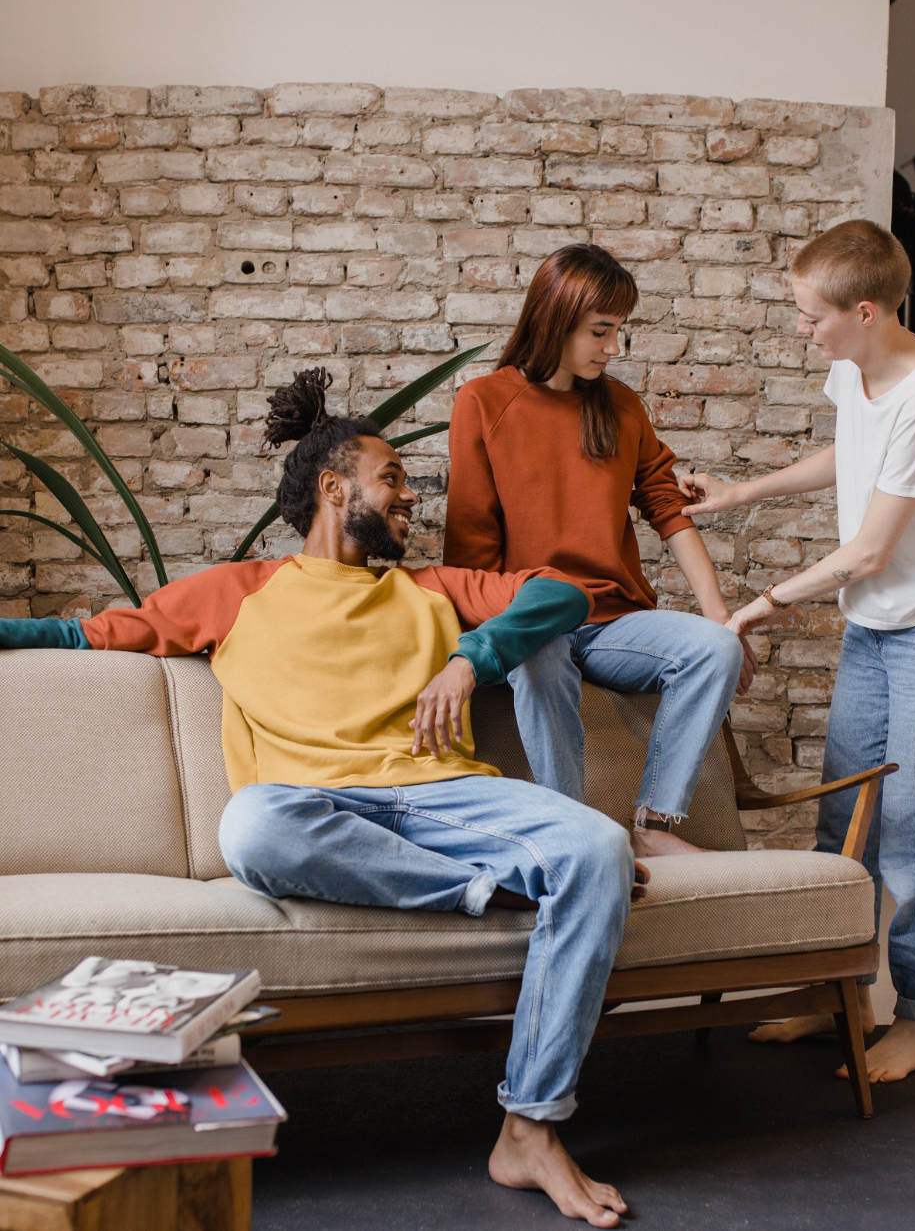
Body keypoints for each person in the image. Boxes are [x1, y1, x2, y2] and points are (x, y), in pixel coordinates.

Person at [0, 368, 650, 1228]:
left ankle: (529, 1131)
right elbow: (85, 632)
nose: (412, 494)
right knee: (253, 823)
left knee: (599, 848)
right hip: (316, 812)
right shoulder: (239, 591)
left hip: (443, 796)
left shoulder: (428, 588)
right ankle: (484, 891)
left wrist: (470, 659)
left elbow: (562, 594)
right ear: (335, 490)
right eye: (394, 477)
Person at [679, 220, 915, 1083]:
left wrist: (752, 610)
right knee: (844, 823)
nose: (801, 329)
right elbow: (851, 452)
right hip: (877, 631)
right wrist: (744, 489)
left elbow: (867, 553)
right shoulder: (856, 366)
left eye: (811, 316)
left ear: (866, 310)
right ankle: (842, 995)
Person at [444, 244, 754, 858]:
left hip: (615, 623)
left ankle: (654, 826)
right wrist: (485, 644)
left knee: (714, 647)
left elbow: (669, 510)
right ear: (555, 318)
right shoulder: (482, 402)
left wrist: (722, 617)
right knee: (537, 656)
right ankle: (572, 834)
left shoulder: (620, 406)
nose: (613, 348)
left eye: (619, 331)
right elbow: (470, 551)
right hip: (533, 620)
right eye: (601, 331)